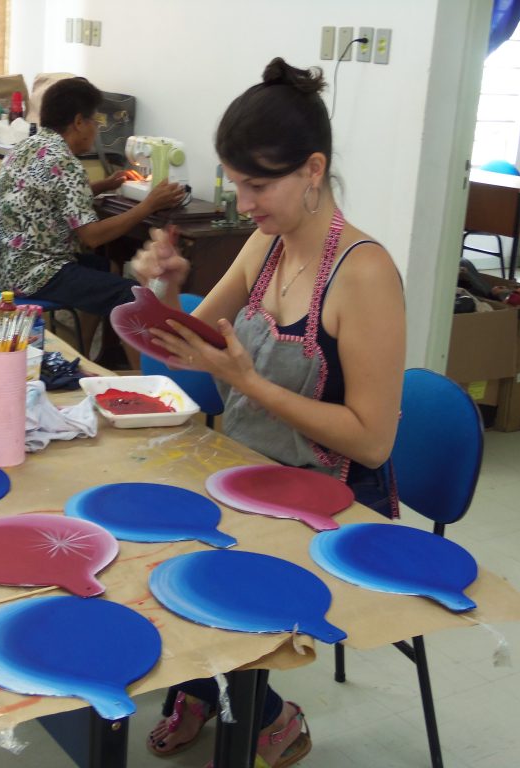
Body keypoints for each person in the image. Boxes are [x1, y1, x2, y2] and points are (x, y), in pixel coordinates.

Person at [131, 58, 406, 768]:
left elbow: (373, 442)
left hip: (333, 499)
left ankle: (265, 710)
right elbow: (190, 347)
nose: (243, 202)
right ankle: (203, 684)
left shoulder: (364, 274)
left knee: (194, 570)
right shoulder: (266, 244)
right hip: (250, 472)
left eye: (258, 185)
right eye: (235, 182)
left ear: (313, 170)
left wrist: (249, 383)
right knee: (140, 540)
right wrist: (166, 294)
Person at [0, 77, 186, 366]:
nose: (96, 130)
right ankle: (143, 376)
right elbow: (92, 236)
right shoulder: (65, 162)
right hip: (38, 275)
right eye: (95, 122)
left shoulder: (26, 148)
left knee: (105, 267)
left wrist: (103, 185)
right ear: (79, 122)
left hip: (8, 269)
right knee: (130, 295)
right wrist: (149, 205)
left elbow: (50, 195)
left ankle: (83, 355)